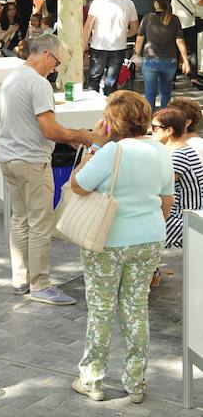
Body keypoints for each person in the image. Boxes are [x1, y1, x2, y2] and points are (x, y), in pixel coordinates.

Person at [69, 91, 173, 404]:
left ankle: (92, 379)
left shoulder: (111, 152)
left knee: (101, 310)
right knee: (136, 308)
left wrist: (94, 148)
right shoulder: (160, 152)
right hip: (149, 238)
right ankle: (136, 382)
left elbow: (78, 185)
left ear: (112, 122)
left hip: (108, 240)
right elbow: (166, 201)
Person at [0, 34, 94, 304]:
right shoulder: (38, 84)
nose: (55, 69)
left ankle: (21, 279)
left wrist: (70, 135)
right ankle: (40, 284)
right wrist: (78, 134)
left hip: (9, 158)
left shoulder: (12, 77)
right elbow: (49, 129)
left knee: (20, 219)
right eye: (56, 63)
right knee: (40, 223)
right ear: (46, 54)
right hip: (30, 161)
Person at [150, 108, 201, 255]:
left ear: (169, 131)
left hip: (183, 218)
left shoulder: (177, 157)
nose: (150, 131)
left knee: (139, 233)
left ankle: (150, 272)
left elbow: (159, 190)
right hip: (188, 215)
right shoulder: (185, 150)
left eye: (154, 128)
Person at [83, 0, 139, 96]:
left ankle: (93, 108)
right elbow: (135, 29)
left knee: (94, 80)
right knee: (111, 82)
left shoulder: (97, 2)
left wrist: (84, 44)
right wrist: (123, 34)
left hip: (98, 45)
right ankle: (109, 108)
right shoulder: (129, 3)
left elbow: (88, 25)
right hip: (118, 46)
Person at [134, 0, 190, 109]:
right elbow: (180, 41)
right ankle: (165, 119)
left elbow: (139, 40)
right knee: (166, 92)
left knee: (149, 93)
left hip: (150, 61)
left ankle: (150, 120)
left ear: (156, 3)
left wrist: (137, 56)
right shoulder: (174, 19)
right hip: (169, 61)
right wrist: (185, 60)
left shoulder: (147, 18)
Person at [167, 0, 203, 89]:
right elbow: (200, 2)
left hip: (172, 25)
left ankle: (171, 79)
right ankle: (193, 78)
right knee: (192, 52)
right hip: (188, 24)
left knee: (173, 52)